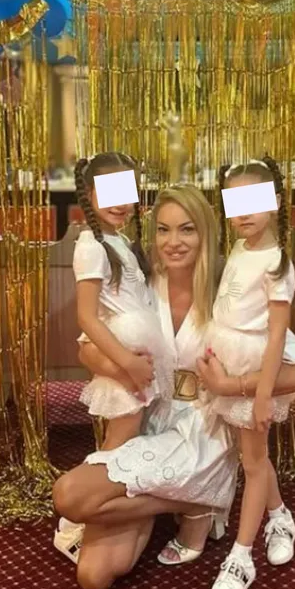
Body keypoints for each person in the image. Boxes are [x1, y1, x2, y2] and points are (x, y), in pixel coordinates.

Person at [52, 184, 295, 589]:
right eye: (163, 229)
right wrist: (123, 368)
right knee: (94, 575)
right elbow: (86, 349)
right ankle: (195, 501)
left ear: (206, 232)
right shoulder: (142, 284)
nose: (173, 242)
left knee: (74, 501)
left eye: (187, 229)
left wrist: (230, 384)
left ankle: (201, 490)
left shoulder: (230, 288)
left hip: (204, 433)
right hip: (150, 425)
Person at [206, 159, 295, 589]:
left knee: (252, 463)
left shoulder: (276, 263)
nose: (243, 213)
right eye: (234, 203)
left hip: (253, 366)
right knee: (252, 456)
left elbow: (276, 333)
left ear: (274, 202)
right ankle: (280, 516)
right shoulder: (239, 248)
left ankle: (241, 556)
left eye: (253, 201)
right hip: (229, 354)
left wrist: (264, 393)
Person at [72, 152, 174, 452]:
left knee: (133, 431)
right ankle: (95, 480)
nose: (120, 204)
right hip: (122, 351)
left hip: (136, 348)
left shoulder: (118, 241)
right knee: (122, 434)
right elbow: (86, 317)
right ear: (89, 193)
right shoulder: (91, 247)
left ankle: (114, 479)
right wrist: (127, 363)